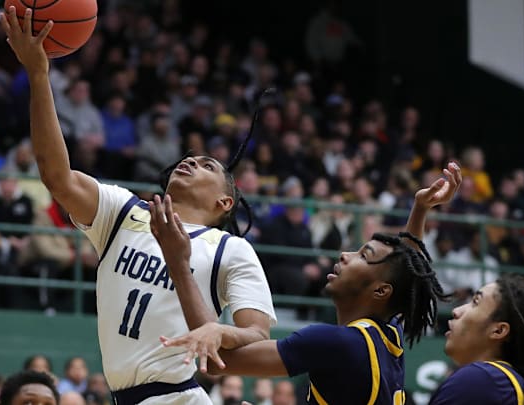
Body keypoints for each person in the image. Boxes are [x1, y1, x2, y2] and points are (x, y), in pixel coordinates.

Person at [1, 8, 276, 404]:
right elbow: (56, 176)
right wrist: (39, 74)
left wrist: (221, 331)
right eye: (191, 158)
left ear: (224, 201)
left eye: (207, 165)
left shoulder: (231, 250)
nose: (192, 161)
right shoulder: (123, 212)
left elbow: (257, 339)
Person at [160, 163, 462, 404]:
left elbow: (217, 363)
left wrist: (178, 265)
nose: (345, 254)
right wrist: (421, 209)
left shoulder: (336, 342)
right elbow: (409, 273)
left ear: (381, 290)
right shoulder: (387, 333)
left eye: (363, 255)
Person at [428, 276, 524, 405]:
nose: (456, 311)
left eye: (475, 302)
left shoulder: (480, 379)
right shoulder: (513, 387)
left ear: (499, 331)